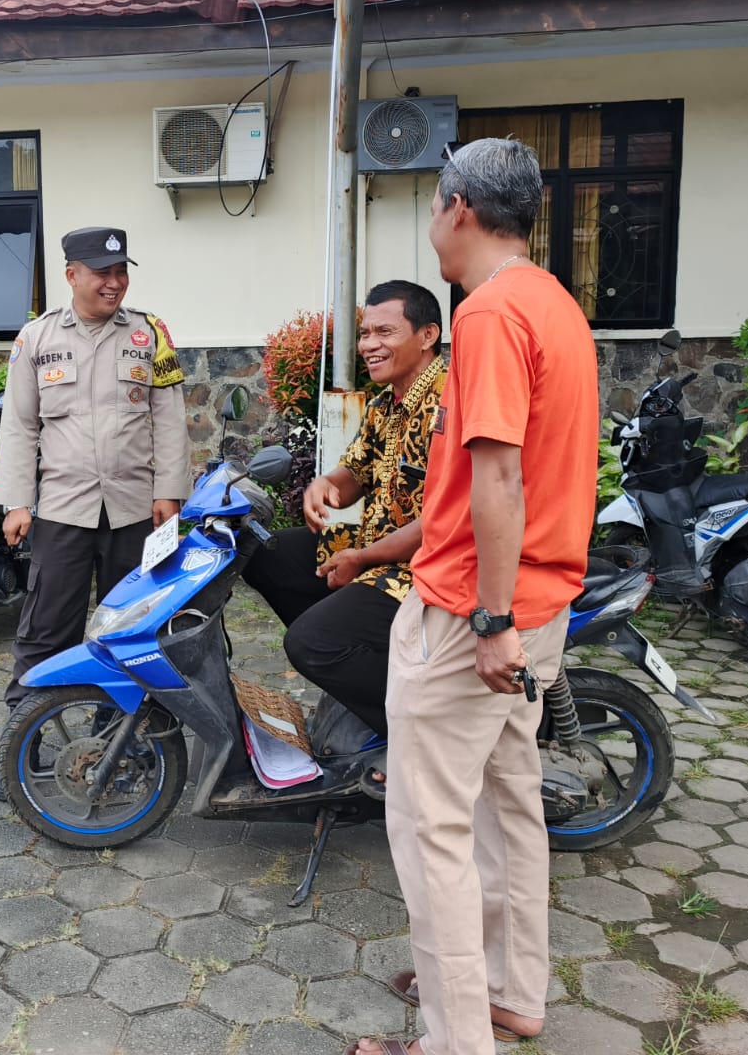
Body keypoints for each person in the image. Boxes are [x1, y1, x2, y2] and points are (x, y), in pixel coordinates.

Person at [349, 139, 599, 1055]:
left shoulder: (490, 312)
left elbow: (497, 476)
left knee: (432, 828)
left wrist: (490, 619)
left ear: (458, 206)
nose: (431, 222)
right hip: (539, 603)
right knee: (506, 804)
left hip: (473, 614)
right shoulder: (554, 303)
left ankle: (454, 1039)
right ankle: (508, 991)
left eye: (431, 205)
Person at [0, 225, 189, 798]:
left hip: (135, 510)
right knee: (45, 631)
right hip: (62, 511)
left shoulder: (150, 334)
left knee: (132, 629)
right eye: (102, 273)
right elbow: (19, 425)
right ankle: (22, 747)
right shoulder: (36, 339)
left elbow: (169, 418)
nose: (114, 282)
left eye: (121, 271)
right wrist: (17, 502)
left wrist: (170, 491)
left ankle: (120, 746)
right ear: (72, 275)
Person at [241, 280, 445, 761]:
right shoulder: (385, 403)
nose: (369, 344)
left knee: (311, 643)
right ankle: (359, 671)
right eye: (365, 333)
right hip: (376, 549)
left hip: (423, 569)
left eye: (384, 332)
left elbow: (444, 521)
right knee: (264, 553)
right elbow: (354, 472)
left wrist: (362, 558)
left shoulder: (448, 405)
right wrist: (324, 485)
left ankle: (423, 738)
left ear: (427, 335)